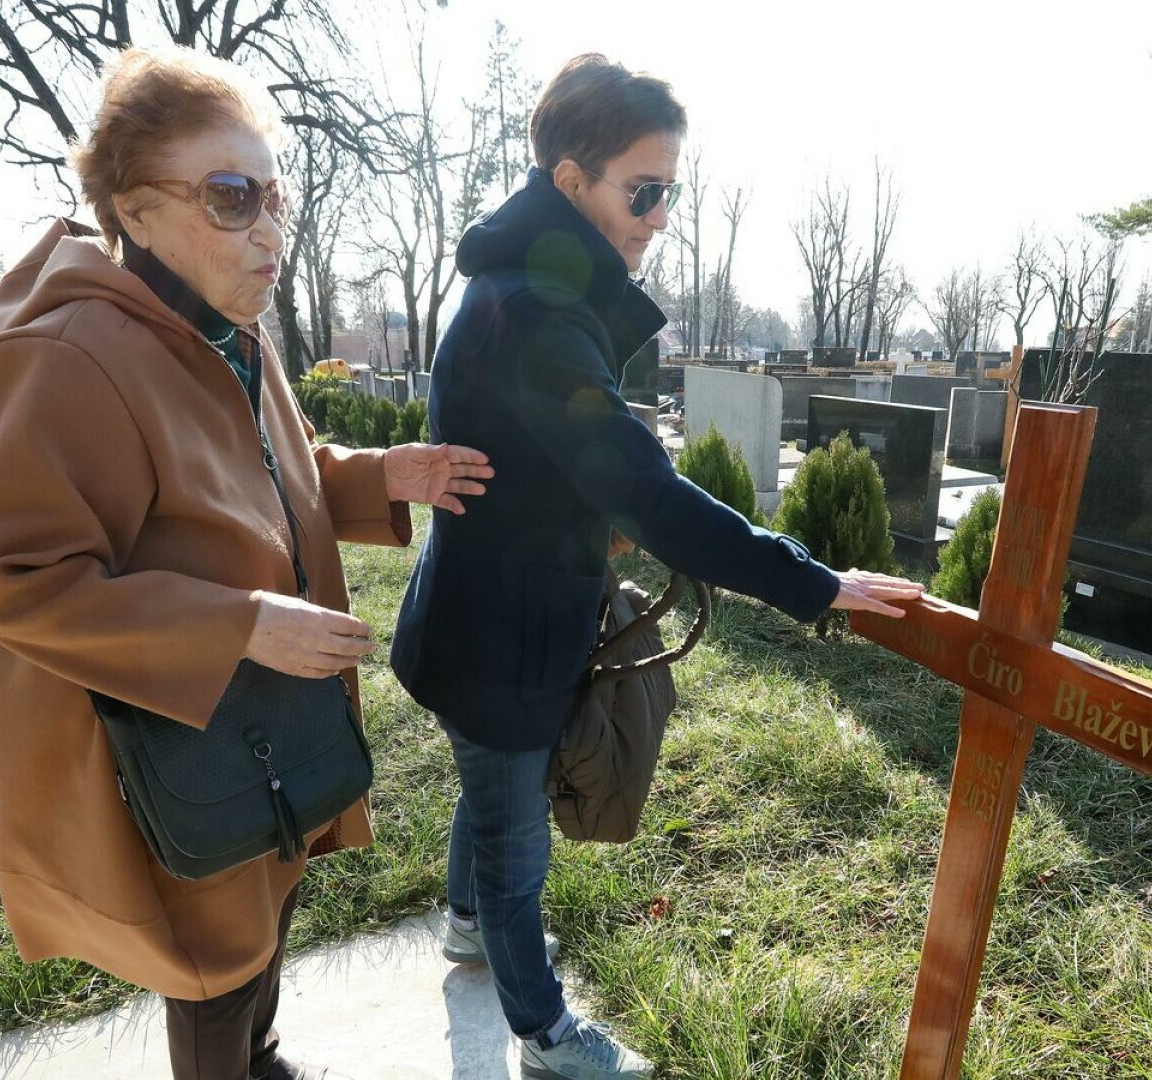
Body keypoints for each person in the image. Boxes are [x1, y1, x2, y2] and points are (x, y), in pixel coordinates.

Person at [0, 47, 491, 1080]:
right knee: (213, 954)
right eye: (231, 198)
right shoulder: (68, 354)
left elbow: (254, 476)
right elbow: (9, 580)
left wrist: (380, 477)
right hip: (183, 729)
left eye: (274, 197)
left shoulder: (227, 333)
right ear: (134, 209)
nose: (270, 233)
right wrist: (240, 624)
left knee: (268, 898)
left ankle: (263, 1059)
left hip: (263, 716)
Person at [391, 54, 922, 1079]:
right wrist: (812, 581)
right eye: (645, 190)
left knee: (488, 792)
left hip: (480, 617)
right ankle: (543, 1036)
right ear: (571, 183)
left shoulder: (526, 289)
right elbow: (650, 492)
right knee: (516, 843)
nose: (661, 213)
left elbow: (553, 462)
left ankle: (463, 933)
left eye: (671, 190)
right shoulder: (539, 315)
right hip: (497, 636)